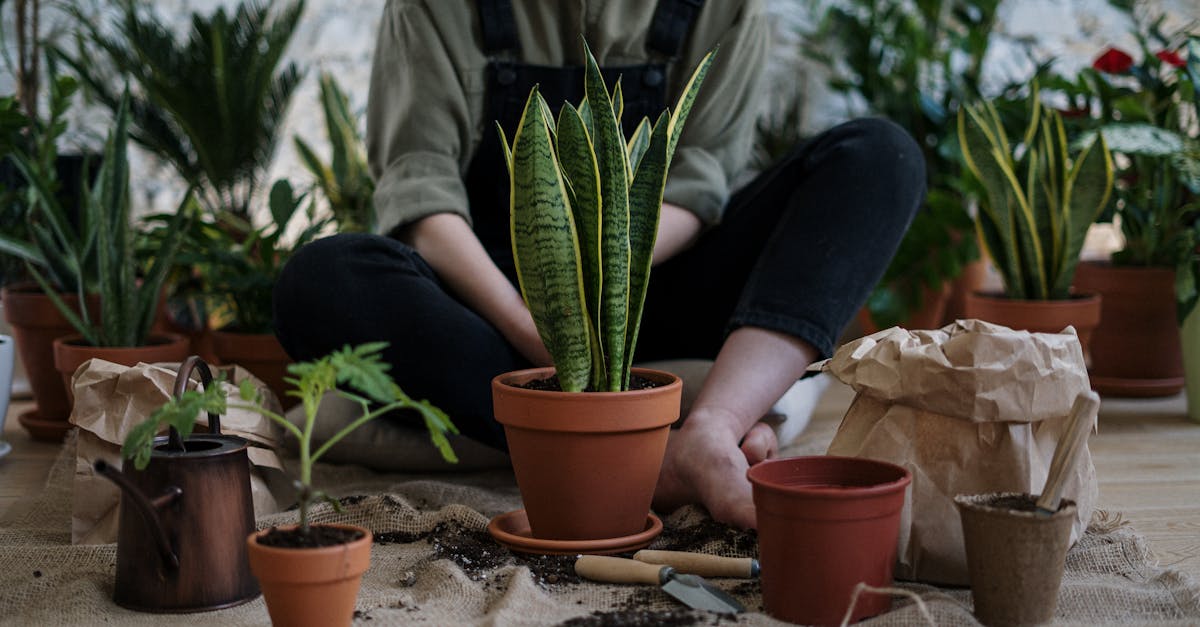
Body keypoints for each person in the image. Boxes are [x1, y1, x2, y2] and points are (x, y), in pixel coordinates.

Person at [274, 0, 925, 529]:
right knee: (321, 280)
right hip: (500, 315)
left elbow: (699, 186)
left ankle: (709, 431)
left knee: (880, 157)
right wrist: (541, 326)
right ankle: (638, 448)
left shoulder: (723, 9)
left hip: (658, 285)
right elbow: (421, 193)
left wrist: (608, 285)